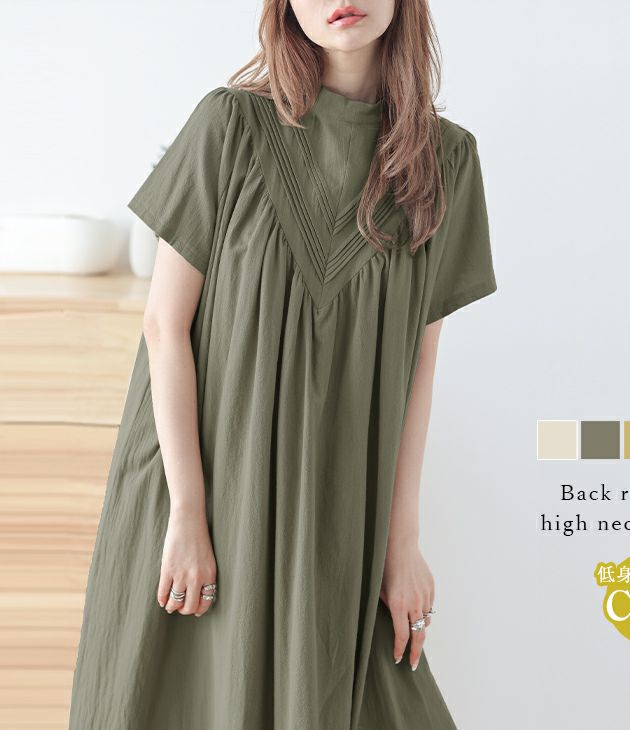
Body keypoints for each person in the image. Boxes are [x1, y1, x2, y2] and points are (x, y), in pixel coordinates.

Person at [67, 0, 497, 727]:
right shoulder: (229, 126)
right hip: (202, 490)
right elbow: (165, 327)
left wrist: (402, 543)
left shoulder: (445, 161)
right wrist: (187, 514)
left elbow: (418, 366)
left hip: (338, 505)